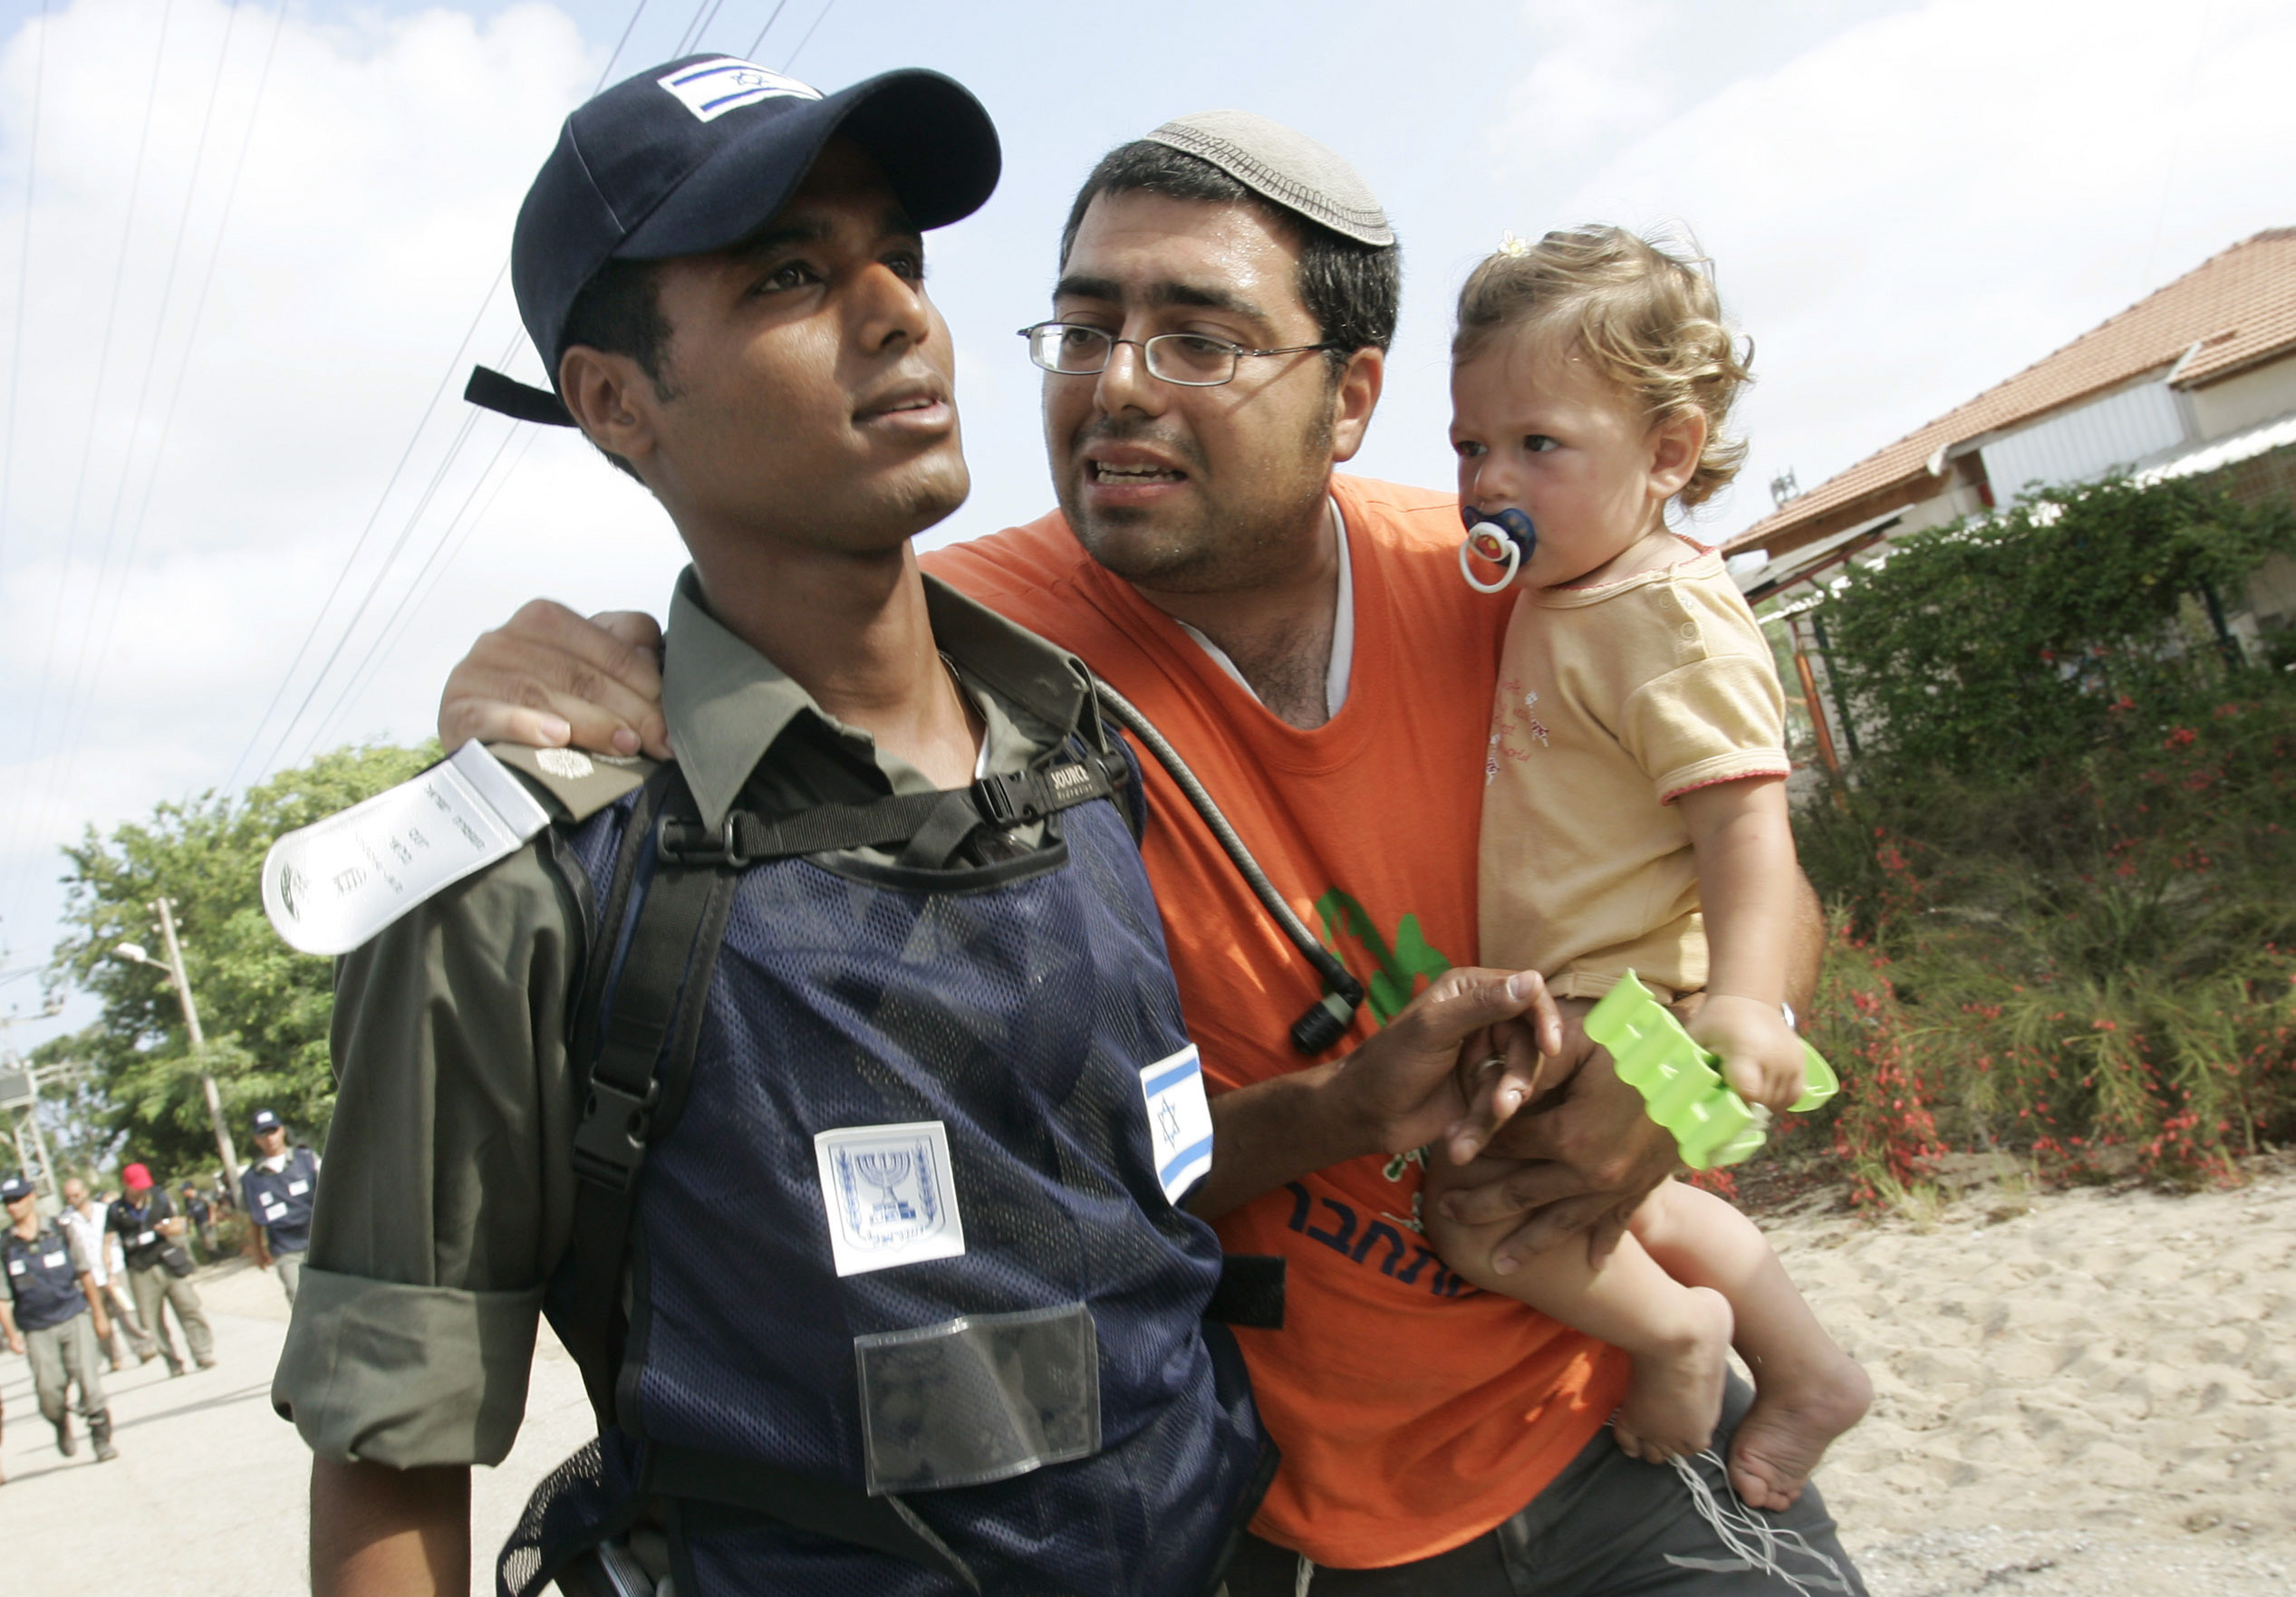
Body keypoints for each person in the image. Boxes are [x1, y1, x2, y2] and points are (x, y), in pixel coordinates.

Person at [441, 111, 1870, 1594]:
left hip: (1627, 1425)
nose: (1114, 385)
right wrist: (528, 674)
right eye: (1079, 329)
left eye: (1197, 338)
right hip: (1286, 1524)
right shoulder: (954, 658)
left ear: (1350, 397)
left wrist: (1669, 1095)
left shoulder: (1514, 577)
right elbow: (703, 672)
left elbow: (1742, 868)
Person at [272, 58, 1541, 1597]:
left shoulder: (1077, 740)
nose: (898, 316)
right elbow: (389, 1453)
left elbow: (1122, 1176)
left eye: (903, 259)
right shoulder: (528, 871)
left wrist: (1340, 1107)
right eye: (791, 273)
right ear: (614, 401)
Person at [1417, 226, 1872, 1509]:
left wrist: (1740, 1000)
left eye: (1535, 444)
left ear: (1666, 451)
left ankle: (1677, 1336)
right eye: (1467, 446)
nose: (1486, 478)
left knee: (1475, 1205)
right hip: (1580, 985)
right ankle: (1809, 1362)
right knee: (1633, 1207)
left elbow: (1745, 820)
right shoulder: (1566, 582)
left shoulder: (1664, 607)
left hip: (1635, 994)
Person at [2, 1172, 120, 1462]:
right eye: (7, 1202)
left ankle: (100, 1439)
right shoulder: (5, 1245)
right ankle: (60, 1423)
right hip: (36, 1326)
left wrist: (99, 1315)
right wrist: (12, 1334)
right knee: (48, 1393)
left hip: (72, 1315)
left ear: (31, 1198)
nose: (12, 1206)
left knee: (89, 1381)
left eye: (17, 1199)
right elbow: (2, 1296)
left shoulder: (60, 1230)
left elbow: (84, 1274)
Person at [107, 1162, 216, 1376]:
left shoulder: (158, 1198)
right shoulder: (116, 1210)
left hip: (168, 1261)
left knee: (189, 1307)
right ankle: (172, 1362)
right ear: (125, 1184)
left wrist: (169, 1228)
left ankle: (203, 1352)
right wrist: (109, 1273)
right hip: (141, 1269)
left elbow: (179, 1224)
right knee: (152, 1321)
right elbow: (107, 1242)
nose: (142, 1189)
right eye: (136, 1186)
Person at [60, 1176, 159, 1370]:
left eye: (76, 1195)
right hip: (88, 1275)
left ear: (85, 1192)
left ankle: (142, 1347)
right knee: (100, 1316)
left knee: (126, 1310)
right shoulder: (65, 1221)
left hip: (113, 1268)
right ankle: (113, 1356)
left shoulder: (105, 1211)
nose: (73, 1199)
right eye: (69, 1197)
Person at [240, 1108, 318, 1302]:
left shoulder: (307, 1159)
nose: (270, 1138)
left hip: (318, 1237)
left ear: (282, 1130)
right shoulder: (252, 1178)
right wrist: (258, 1250)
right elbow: (254, 1217)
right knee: (298, 1295)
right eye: (263, 1134)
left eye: (273, 1131)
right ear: (256, 1139)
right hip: (286, 1247)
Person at [181, 1181, 218, 1259]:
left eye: (184, 1190)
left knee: (211, 1241)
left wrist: (212, 1217)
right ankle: (214, 1259)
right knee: (205, 1243)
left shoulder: (201, 1195)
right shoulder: (187, 1201)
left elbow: (212, 1205)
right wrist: (188, 1226)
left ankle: (219, 1257)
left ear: (189, 1189)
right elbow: (189, 1214)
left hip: (207, 1220)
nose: (183, 1193)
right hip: (198, 1223)